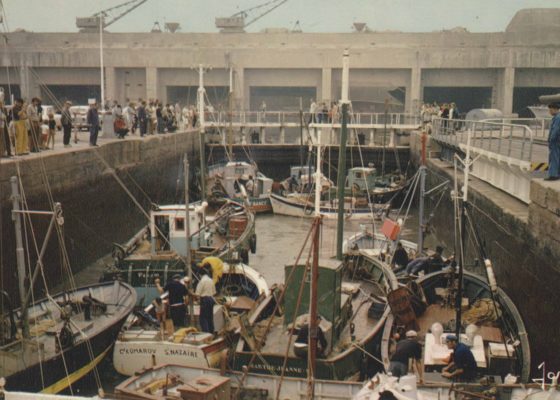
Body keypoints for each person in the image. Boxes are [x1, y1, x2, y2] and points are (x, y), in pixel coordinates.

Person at [194, 265, 216, 334]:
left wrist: (191, 293)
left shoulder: (202, 281)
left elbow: (197, 294)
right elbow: (214, 292)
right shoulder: (211, 280)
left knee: (203, 318)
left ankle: (206, 333)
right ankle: (211, 332)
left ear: (200, 275)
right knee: (210, 317)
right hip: (211, 299)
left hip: (205, 300)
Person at [546, 103, 560, 181]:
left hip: (555, 141)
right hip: (557, 140)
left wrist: (550, 139)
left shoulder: (557, 118)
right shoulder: (556, 117)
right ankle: (557, 174)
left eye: (550, 109)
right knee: (557, 157)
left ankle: (553, 175)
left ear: (555, 109)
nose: (549, 111)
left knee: (554, 157)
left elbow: (555, 130)